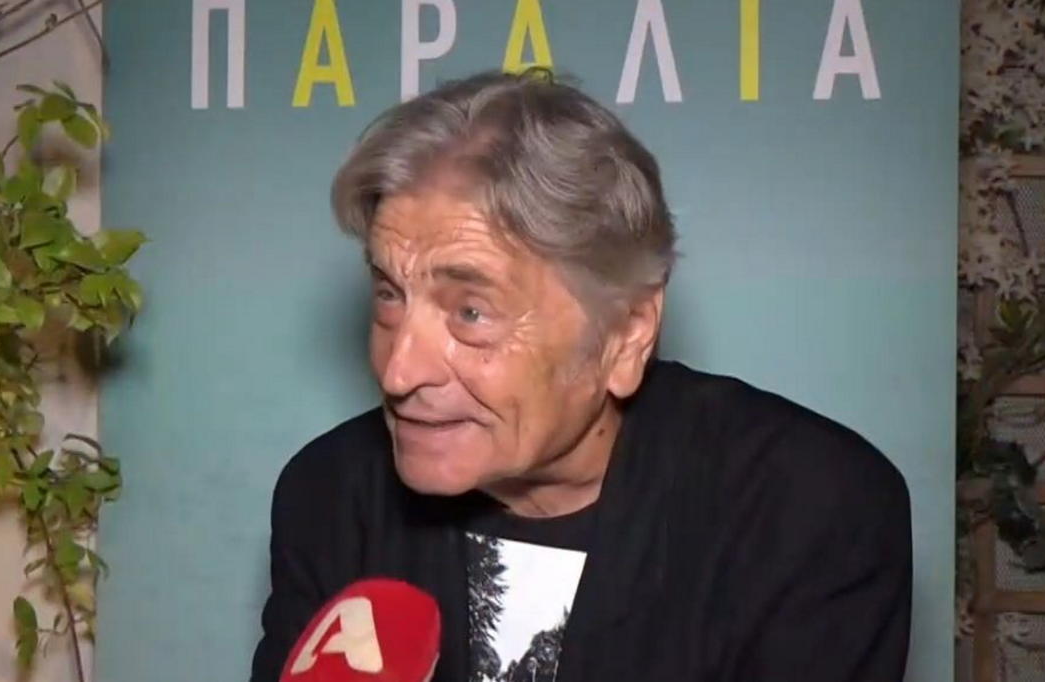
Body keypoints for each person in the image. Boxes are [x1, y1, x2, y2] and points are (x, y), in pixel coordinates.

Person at [250, 69, 912, 682]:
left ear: (626, 335)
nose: (399, 371)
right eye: (389, 295)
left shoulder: (807, 510)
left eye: (471, 312)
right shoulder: (332, 496)